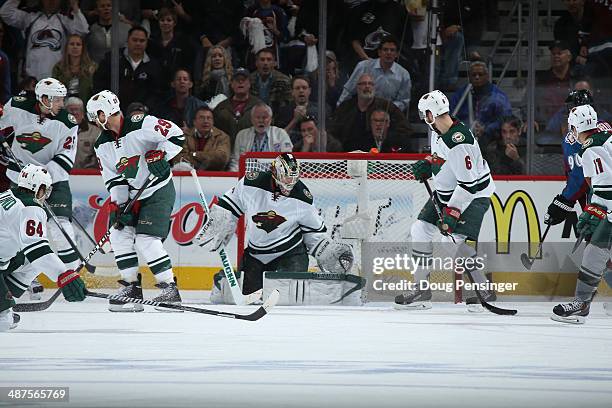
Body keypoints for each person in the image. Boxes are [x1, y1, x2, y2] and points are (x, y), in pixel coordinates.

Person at [196, 153, 353, 295]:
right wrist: (219, 222)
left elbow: (313, 233)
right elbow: (230, 204)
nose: (290, 183)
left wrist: (325, 251)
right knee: (248, 294)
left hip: (290, 254)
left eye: (294, 178)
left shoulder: (302, 197)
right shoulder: (251, 183)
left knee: (288, 296)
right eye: (286, 178)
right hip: (256, 254)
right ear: (275, 173)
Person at [394, 90, 496, 310]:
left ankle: (483, 287)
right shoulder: (438, 131)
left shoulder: (460, 141)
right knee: (420, 230)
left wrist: (454, 211)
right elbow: (441, 159)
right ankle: (422, 289)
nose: (424, 120)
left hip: (474, 196)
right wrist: (427, 164)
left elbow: (469, 185)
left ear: (431, 114)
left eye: (425, 115)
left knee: (449, 244)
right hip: (446, 192)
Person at [87, 89, 185, 312]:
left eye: (96, 115)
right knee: (119, 233)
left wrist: (162, 154)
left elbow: (177, 135)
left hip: (157, 190)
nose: (94, 120)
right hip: (133, 194)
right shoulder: (102, 144)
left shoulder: (140, 123)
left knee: (145, 240)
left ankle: (170, 289)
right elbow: (112, 179)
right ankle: (131, 287)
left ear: (105, 112)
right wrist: (121, 206)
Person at [0, 78, 81, 274]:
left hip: (54, 182)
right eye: (58, 100)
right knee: (22, 229)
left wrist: (41, 176)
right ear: (44, 99)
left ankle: (72, 271)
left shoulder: (67, 122)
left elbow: (66, 158)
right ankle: (27, 275)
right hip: (21, 181)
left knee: (60, 226)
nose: (63, 104)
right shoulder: (17, 106)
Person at [0, 164, 86, 331]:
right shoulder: (30, 208)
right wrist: (64, 275)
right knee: (4, 322)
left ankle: (6, 302)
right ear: (38, 188)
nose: (45, 195)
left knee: (31, 264)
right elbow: (37, 250)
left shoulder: (7, 195)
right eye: (45, 189)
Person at [552, 105, 612, 324]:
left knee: (594, 254)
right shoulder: (607, 135)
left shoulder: (589, 148)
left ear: (575, 127)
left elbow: (605, 185)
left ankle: (581, 305)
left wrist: (595, 210)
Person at [544, 89, 612, 227]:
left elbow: (579, 177)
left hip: (599, 199)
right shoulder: (606, 127)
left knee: (597, 243)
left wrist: (564, 201)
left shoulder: (574, 138)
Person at [0, 0, 89, 80]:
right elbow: (5, 13)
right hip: (30, 78)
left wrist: (75, 7)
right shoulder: (30, 18)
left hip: (57, 77)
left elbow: (83, 31)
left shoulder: (64, 21)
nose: (51, 1)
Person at [330, 73, 411, 151]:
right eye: (363, 84)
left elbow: (405, 129)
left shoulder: (386, 106)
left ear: (374, 87)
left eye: (370, 84)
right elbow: (333, 130)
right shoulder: (345, 107)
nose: (367, 86)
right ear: (357, 87)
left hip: (378, 152)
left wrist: (386, 138)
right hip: (347, 153)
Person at [94, 26, 163, 115]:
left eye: (142, 41)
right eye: (134, 40)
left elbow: (156, 93)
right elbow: (99, 84)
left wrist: (145, 108)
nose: (138, 43)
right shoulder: (112, 58)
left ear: (147, 43)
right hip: (113, 113)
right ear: (127, 40)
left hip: (142, 114)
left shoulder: (153, 65)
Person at [338, 36, 412, 113]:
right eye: (385, 50)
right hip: (362, 111)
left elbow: (404, 101)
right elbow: (348, 91)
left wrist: (387, 109)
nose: (388, 53)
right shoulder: (363, 67)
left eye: (392, 50)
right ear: (379, 52)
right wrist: (339, 108)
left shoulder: (404, 74)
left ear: (397, 54)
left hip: (388, 114)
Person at [449, 61, 513, 146]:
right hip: (464, 134)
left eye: (480, 74)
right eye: (474, 75)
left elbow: (505, 118)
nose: (477, 77)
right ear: (469, 76)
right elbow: (451, 114)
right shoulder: (460, 94)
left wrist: (486, 128)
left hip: (490, 136)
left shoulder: (498, 96)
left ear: (487, 76)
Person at [228, 102, 293, 171]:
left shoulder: (280, 134)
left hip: (272, 175)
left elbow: (287, 159)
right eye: (257, 117)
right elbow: (235, 161)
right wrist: (234, 177)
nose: (261, 121)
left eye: (264, 117)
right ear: (252, 119)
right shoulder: (242, 135)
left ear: (271, 119)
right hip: (248, 176)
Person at [213, 68, 262, 144]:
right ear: (231, 84)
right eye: (237, 80)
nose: (240, 82)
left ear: (249, 84)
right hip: (227, 150)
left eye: (244, 79)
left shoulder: (260, 106)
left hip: (251, 150)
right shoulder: (221, 107)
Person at [173, 106, 231, 171]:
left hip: (214, 176)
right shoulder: (185, 136)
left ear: (213, 121)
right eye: (201, 118)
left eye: (209, 118)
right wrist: (206, 159)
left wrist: (194, 154)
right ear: (194, 121)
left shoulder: (222, 137)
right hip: (189, 175)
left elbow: (221, 158)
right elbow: (178, 158)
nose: (206, 121)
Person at [52, 34, 98, 102]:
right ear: (67, 47)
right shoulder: (58, 68)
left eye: (78, 44)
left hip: (86, 106)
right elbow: (54, 91)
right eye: (72, 44)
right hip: (64, 106)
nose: (75, 47)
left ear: (83, 48)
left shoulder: (92, 67)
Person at [275, 76, 320, 144]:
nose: (301, 91)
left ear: (309, 91)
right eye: (297, 88)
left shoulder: (320, 110)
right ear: (292, 92)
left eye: (304, 88)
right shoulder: (284, 111)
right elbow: (278, 138)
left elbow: (324, 135)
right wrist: (295, 120)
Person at [345, 109, 412, 153]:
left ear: (388, 123)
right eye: (375, 120)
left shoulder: (399, 141)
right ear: (370, 123)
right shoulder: (361, 141)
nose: (378, 124)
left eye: (382, 120)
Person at [249, 49, 292, 113]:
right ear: (256, 63)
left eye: (269, 60)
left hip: (277, 116)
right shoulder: (249, 80)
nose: (265, 63)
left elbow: (288, 103)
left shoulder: (284, 80)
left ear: (274, 63)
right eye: (262, 60)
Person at [66, 96, 100, 169]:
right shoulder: (60, 129)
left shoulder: (95, 132)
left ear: (83, 112)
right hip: (62, 174)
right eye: (71, 110)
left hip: (86, 175)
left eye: (77, 109)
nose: (74, 113)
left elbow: (100, 157)